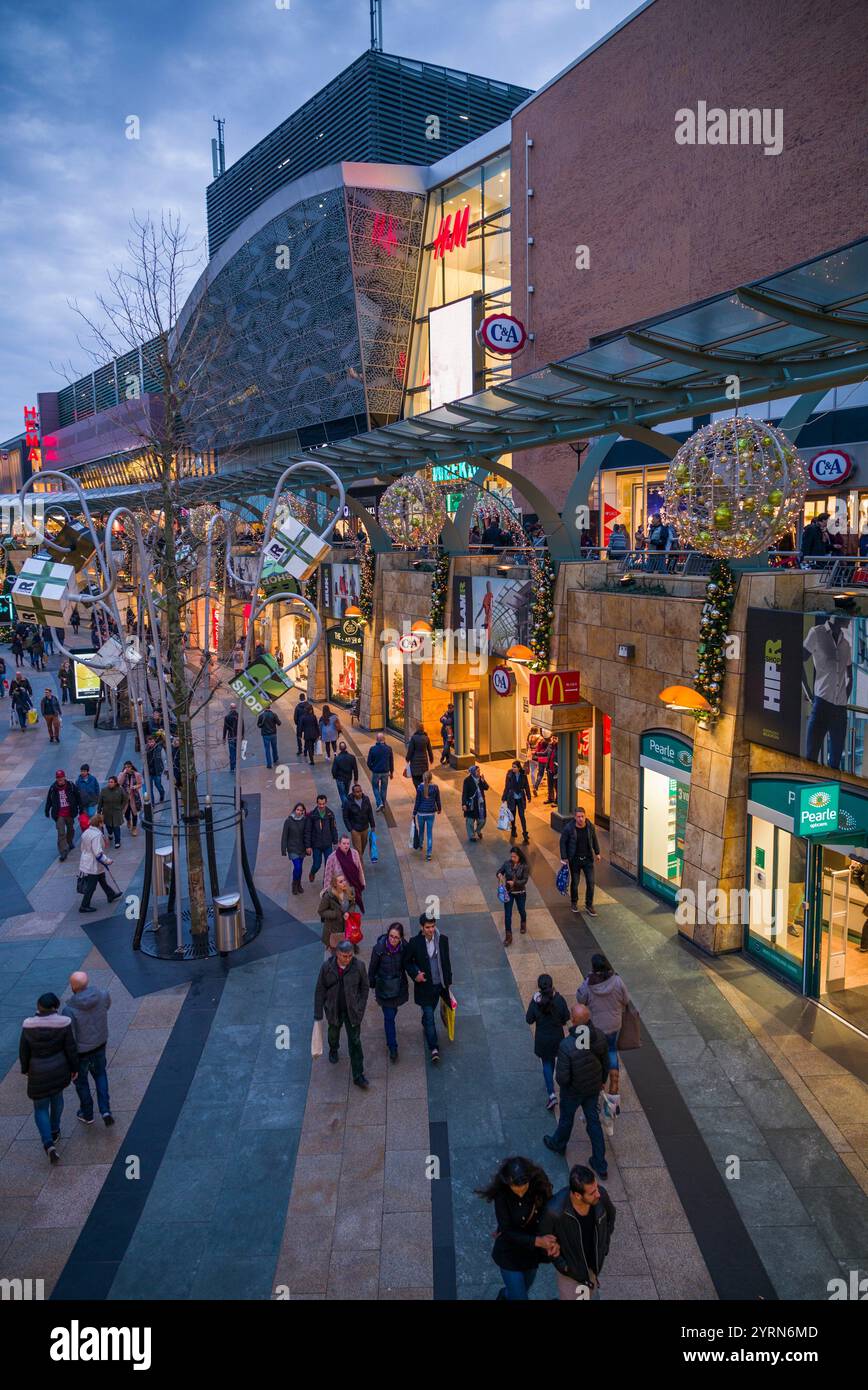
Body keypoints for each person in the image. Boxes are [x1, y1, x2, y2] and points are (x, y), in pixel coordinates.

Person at [475, 1156, 558, 1301]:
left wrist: (552, 1240)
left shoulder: (540, 1187)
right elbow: (507, 1231)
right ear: (508, 1182)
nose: (520, 1191)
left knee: (521, 1290)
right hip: (510, 1253)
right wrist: (538, 1241)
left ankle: (504, 1295)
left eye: (524, 1186)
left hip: (531, 1255)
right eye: (516, 1187)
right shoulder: (502, 1195)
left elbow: (550, 1213)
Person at [543, 1003, 609, 1176]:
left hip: (573, 1092)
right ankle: (600, 1163)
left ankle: (558, 1144)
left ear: (574, 1021)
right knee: (593, 1122)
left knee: (566, 1119)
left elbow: (562, 1078)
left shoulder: (567, 1045)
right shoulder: (600, 1037)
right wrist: (601, 1081)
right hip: (592, 1088)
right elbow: (605, 1064)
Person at [539, 1164, 616, 1301]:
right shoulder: (554, 1211)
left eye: (596, 1188)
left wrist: (605, 1245)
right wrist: (565, 1267)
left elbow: (610, 1217)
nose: (598, 1193)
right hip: (572, 1272)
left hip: (592, 1265)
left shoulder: (600, 1197)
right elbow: (546, 1242)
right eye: (592, 1193)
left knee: (586, 1296)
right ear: (577, 1195)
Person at [19, 992, 79, 1163]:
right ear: (55, 1007)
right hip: (59, 1069)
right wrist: (74, 1068)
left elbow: (23, 1051)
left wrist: (25, 1069)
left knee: (40, 1108)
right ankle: (55, 1130)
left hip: (37, 1072)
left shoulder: (28, 1025)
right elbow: (70, 1048)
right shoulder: (63, 1023)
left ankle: (48, 1143)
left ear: (39, 1007)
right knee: (57, 1099)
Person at [313, 939, 370, 1089]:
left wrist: (360, 1007)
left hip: (353, 1013)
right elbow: (320, 990)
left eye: (350, 955)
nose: (348, 959)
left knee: (355, 1043)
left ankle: (358, 1075)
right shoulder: (327, 967)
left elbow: (365, 988)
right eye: (345, 956)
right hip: (334, 1011)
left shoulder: (359, 967)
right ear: (337, 954)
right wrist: (318, 1013)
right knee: (333, 1033)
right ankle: (333, 1048)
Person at [62, 971, 114, 1125]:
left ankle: (87, 1113)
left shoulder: (69, 1010)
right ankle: (105, 1110)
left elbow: (70, 1037)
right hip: (100, 1045)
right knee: (100, 1075)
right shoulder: (103, 995)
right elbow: (106, 1007)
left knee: (82, 1083)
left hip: (81, 1053)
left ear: (72, 987)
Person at [803, 613, 852, 770]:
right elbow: (799, 660)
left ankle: (830, 793)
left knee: (835, 762)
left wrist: (844, 698)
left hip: (840, 711)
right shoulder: (816, 633)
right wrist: (809, 693)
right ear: (837, 616)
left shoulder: (846, 644)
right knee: (810, 757)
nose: (851, 620)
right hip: (821, 705)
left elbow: (850, 676)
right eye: (849, 616)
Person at [404, 911, 452, 1065]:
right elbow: (407, 962)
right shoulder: (414, 942)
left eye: (432, 926)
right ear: (422, 927)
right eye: (427, 927)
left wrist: (448, 984)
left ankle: (425, 1023)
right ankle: (434, 1048)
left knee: (429, 1013)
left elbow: (446, 962)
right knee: (430, 1017)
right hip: (424, 987)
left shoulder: (443, 940)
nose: (431, 930)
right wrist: (415, 974)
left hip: (439, 986)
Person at [576, 953, 631, 1078]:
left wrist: (586, 980)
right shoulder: (617, 980)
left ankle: (598, 1078)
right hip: (614, 1024)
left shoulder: (589, 983)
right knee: (611, 1050)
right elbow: (626, 1000)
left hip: (596, 1026)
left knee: (594, 1051)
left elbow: (580, 999)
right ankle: (614, 1085)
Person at [527, 974, 571, 1110]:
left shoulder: (536, 1002)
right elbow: (566, 1017)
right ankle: (554, 1085)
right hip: (557, 1037)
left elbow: (529, 1019)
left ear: (539, 986)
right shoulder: (559, 1000)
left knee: (546, 1062)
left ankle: (551, 1093)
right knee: (552, 1060)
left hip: (542, 1039)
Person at [368, 922, 409, 1062]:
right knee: (389, 1017)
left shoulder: (404, 947)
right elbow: (372, 969)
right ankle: (393, 1047)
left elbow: (409, 963)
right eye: (391, 936)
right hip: (384, 989)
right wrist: (372, 985)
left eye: (396, 937)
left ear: (401, 938)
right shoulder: (379, 949)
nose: (392, 940)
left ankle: (391, 1043)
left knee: (393, 1011)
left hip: (398, 988)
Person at [559, 806, 601, 916]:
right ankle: (574, 902)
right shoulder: (569, 828)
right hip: (575, 860)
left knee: (591, 882)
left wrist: (597, 852)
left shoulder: (589, 826)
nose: (580, 819)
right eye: (578, 817)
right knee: (575, 882)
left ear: (585, 816)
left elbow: (594, 838)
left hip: (587, 860)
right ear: (574, 817)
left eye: (582, 816)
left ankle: (589, 905)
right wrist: (564, 857)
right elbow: (562, 842)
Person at [78, 812, 121, 913]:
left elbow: (83, 848)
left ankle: (110, 894)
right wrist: (107, 861)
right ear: (100, 823)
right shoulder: (97, 835)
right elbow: (98, 853)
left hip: (87, 861)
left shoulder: (86, 832)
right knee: (91, 886)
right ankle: (84, 905)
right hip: (93, 864)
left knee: (102, 879)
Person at [45, 769, 81, 863]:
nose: (60, 780)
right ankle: (63, 851)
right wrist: (47, 810)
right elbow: (49, 800)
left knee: (71, 830)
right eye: (58, 778)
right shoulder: (53, 788)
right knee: (61, 833)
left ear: (64, 777)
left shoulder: (71, 786)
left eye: (61, 778)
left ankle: (69, 841)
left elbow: (78, 797)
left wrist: (80, 808)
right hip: (59, 814)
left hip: (69, 813)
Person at [323, 832, 366, 911]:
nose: (346, 845)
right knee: (342, 911)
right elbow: (328, 875)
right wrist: (326, 891)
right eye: (344, 843)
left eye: (348, 843)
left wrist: (362, 883)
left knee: (351, 910)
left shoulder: (354, 853)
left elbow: (359, 869)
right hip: (339, 889)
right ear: (339, 844)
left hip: (352, 887)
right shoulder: (332, 858)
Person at [318, 873, 356, 956]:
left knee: (346, 952)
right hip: (334, 929)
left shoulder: (350, 891)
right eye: (341, 881)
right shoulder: (328, 896)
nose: (344, 883)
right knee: (336, 954)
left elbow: (353, 904)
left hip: (346, 926)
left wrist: (349, 912)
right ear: (335, 884)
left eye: (345, 880)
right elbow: (321, 911)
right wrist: (335, 914)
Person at [497, 846, 529, 945]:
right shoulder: (507, 864)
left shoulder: (524, 866)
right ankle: (508, 936)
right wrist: (499, 875)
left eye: (514, 857)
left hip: (520, 893)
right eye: (511, 856)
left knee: (521, 910)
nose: (512, 858)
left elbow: (525, 880)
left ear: (519, 856)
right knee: (507, 914)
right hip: (509, 893)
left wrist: (514, 883)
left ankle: (523, 922)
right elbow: (499, 871)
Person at [305, 794, 338, 881]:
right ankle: (312, 872)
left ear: (326, 803)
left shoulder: (330, 814)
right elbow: (308, 831)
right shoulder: (312, 815)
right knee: (317, 864)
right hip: (316, 845)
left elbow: (333, 828)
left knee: (328, 865)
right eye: (320, 804)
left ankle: (325, 884)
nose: (321, 806)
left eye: (323, 804)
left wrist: (335, 842)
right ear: (317, 803)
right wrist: (308, 846)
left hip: (327, 844)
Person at [413, 769, 442, 861]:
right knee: (429, 833)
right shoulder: (435, 787)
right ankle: (429, 853)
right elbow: (438, 800)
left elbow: (417, 801)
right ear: (431, 778)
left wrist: (414, 812)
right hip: (430, 813)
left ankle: (421, 844)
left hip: (421, 813)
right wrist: (439, 809)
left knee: (421, 830)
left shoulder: (420, 788)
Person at [281, 801, 308, 896]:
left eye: (301, 810)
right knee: (297, 867)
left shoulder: (305, 820)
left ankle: (298, 883)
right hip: (292, 848)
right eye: (297, 809)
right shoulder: (288, 821)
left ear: (303, 811)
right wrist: (283, 849)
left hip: (302, 848)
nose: (299, 812)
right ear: (294, 810)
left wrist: (308, 846)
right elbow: (284, 836)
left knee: (299, 869)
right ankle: (294, 884)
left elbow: (307, 833)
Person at [502, 760, 532, 845]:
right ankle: (513, 829)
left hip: (520, 798)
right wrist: (504, 797)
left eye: (515, 767)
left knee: (522, 816)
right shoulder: (509, 775)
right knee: (513, 815)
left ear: (519, 768)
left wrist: (529, 796)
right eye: (512, 767)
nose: (513, 768)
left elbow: (526, 786)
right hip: (512, 798)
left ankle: (525, 833)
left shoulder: (523, 775)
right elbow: (507, 787)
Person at [343, 782, 375, 860]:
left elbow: (370, 812)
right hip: (355, 830)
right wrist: (350, 829)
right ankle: (361, 869)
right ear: (353, 793)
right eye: (357, 792)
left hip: (365, 828)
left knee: (363, 848)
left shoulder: (366, 799)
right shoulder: (348, 802)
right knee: (358, 851)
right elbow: (345, 816)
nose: (359, 793)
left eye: (360, 791)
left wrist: (372, 825)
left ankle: (357, 860)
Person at [366, 732, 394, 811]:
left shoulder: (373, 749)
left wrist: (372, 769)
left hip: (376, 772)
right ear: (384, 739)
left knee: (375, 787)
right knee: (384, 789)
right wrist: (391, 772)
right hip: (385, 772)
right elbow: (391, 762)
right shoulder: (389, 748)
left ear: (377, 740)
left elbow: (368, 762)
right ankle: (383, 805)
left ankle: (379, 802)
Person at [98, 775, 127, 850]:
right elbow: (100, 802)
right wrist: (99, 811)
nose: (110, 783)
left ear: (115, 783)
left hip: (116, 812)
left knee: (116, 827)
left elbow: (125, 799)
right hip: (107, 812)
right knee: (108, 826)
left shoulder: (120, 790)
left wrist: (121, 807)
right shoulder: (104, 790)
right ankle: (110, 834)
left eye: (111, 782)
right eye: (109, 782)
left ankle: (117, 841)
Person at [461, 764, 488, 842]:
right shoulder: (467, 780)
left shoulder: (480, 779)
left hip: (480, 805)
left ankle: (478, 830)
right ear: (473, 772)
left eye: (479, 770)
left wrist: (483, 781)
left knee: (482, 820)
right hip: (471, 804)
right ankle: (472, 836)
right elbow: (464, 793)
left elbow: (486, 788)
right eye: (477, 771)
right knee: (470, 821)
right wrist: (463, 804)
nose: (479, 772)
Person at [331, 741, 358, 805]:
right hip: (348, 778)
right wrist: (356, 779)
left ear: (339, 748)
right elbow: (355, 769)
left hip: (340, 779)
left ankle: (346, 806)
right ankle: (345, 805)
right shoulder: (352, 757)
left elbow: (333, 770)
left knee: (342, 793)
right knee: (346, 792)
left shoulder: (337, 758)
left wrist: (335, 777)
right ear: (346, 747)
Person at [145, 736, 166, 803]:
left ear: (154, 741)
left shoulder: (159, 749)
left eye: (152, 742)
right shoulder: (145, 749)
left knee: (158, 785)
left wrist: (165, 769)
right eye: (149, 742)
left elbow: (164, 759)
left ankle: (162, 794)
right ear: (147, 743)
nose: (151, 743)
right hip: (149, 772)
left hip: (157, 771)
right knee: (149, 788)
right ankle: (152, 803)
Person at [299, 700, 320, 764]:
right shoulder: (313, 716)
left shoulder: (303, 717)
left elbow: (301, 727)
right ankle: (312, 755)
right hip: (314, 733)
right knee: (312, 746)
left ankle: (311, 760)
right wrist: (319, 734)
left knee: (309, 746)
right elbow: (316, 725)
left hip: (307, 734)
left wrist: (299, 734)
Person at [222, 703, 238, 773]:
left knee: (232, 753)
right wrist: (242, 735)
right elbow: (242, 726)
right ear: (235, 708)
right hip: (238, 736)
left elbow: (225, 728)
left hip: (231, 736)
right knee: (236, 752)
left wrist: (224, 737)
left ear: (230, 708)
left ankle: (232, 767)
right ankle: (236, 765)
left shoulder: (227, 717)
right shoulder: (238, 716)